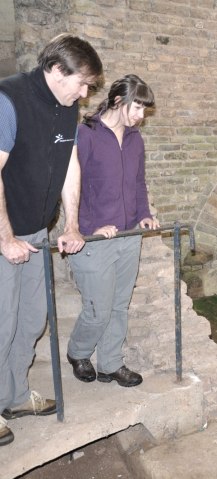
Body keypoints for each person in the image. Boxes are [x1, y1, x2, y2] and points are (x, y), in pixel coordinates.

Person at [0, 34, 103, 447]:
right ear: (56, 70)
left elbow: (70, 165)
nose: (85, 93)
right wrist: (4, 237)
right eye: (82, 83)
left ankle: (15, 396)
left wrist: (71, 225)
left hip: (36, 233)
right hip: (4, 232)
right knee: (1, 323)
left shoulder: (68, 108)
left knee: (30, 321)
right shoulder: (9, 99)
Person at [66, 74, 159, 389]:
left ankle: (110, 364)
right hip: (94, 239)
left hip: (128, 235)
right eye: (137, 108)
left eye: (144, 110)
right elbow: (71, 187)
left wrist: (144, 215)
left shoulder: (135, 139)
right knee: (98, 310)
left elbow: (137, 182)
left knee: (119, 305)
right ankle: (78, 352)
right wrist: (89, 227)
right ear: (118, 101)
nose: (140, 116)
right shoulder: (86, 134)